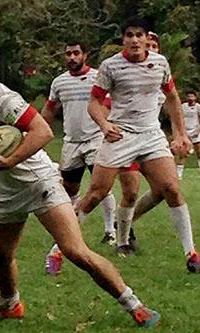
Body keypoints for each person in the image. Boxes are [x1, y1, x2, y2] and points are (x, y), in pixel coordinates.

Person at [0, 32, 160, 327]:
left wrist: (9, 160)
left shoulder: (2, 98)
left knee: (75, 250)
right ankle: (10, 304)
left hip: (39, 182)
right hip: (4, 192)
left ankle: (135, 305)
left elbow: (42, 131)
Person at [75, 17, 200, 273]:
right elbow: (94, 103)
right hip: (121, 135)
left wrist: (180, 134)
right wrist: (104, 125)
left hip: (151, 134)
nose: (134, 39)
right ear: (124, 39)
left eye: (139, 35)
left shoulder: (160, 63)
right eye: (129, 35)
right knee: (97, 193)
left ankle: (191, 253)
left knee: (171, 189)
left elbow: (172, 97)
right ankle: (58, 248)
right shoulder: (111, 66)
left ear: (147, 38)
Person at [41, 41, 117, 275]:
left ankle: (110, 231)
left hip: (95, 139)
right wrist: (37, 133)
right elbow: (49, 109)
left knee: (100, 187)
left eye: (76, 53)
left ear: (85, 55)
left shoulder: (98, 78)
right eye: (68, 54)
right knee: (70, 189)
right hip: (71, 142)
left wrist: (107, 126)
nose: (72, 57)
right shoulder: (60, 82)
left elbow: (109, 104)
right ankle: (71, 230)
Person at [114, 31, 164, 254]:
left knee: (163, 189)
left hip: (151, 141)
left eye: (154, 46)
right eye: (148, 45)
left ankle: (124, 221)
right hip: (126, 141)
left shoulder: (161, 75)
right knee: (131, 192)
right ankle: (122, 243)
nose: (150, 49)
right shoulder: (123, 75)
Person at [176, 90, 200, 178]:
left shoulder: (198, 107)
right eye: (188, 96)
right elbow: (179, 118)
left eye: (192, 96)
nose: (190, 98)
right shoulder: (183, 106)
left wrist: (198, 130)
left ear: (195, 98)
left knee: (199, 152)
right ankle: (179, 174)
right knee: (183, 153)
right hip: (185, 132)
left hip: (195, 132)